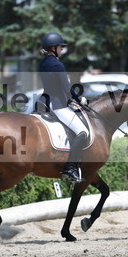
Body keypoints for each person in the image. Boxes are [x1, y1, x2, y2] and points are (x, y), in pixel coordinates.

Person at [38, 32, 89, 183]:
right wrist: (79, 99)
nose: (61, 50)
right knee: (83, 132)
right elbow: (66, 89)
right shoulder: (57, 64)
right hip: (58, 105)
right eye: (60, 47)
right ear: (53, 48)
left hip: (45, 102)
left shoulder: (43, 63)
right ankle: (70, 168)